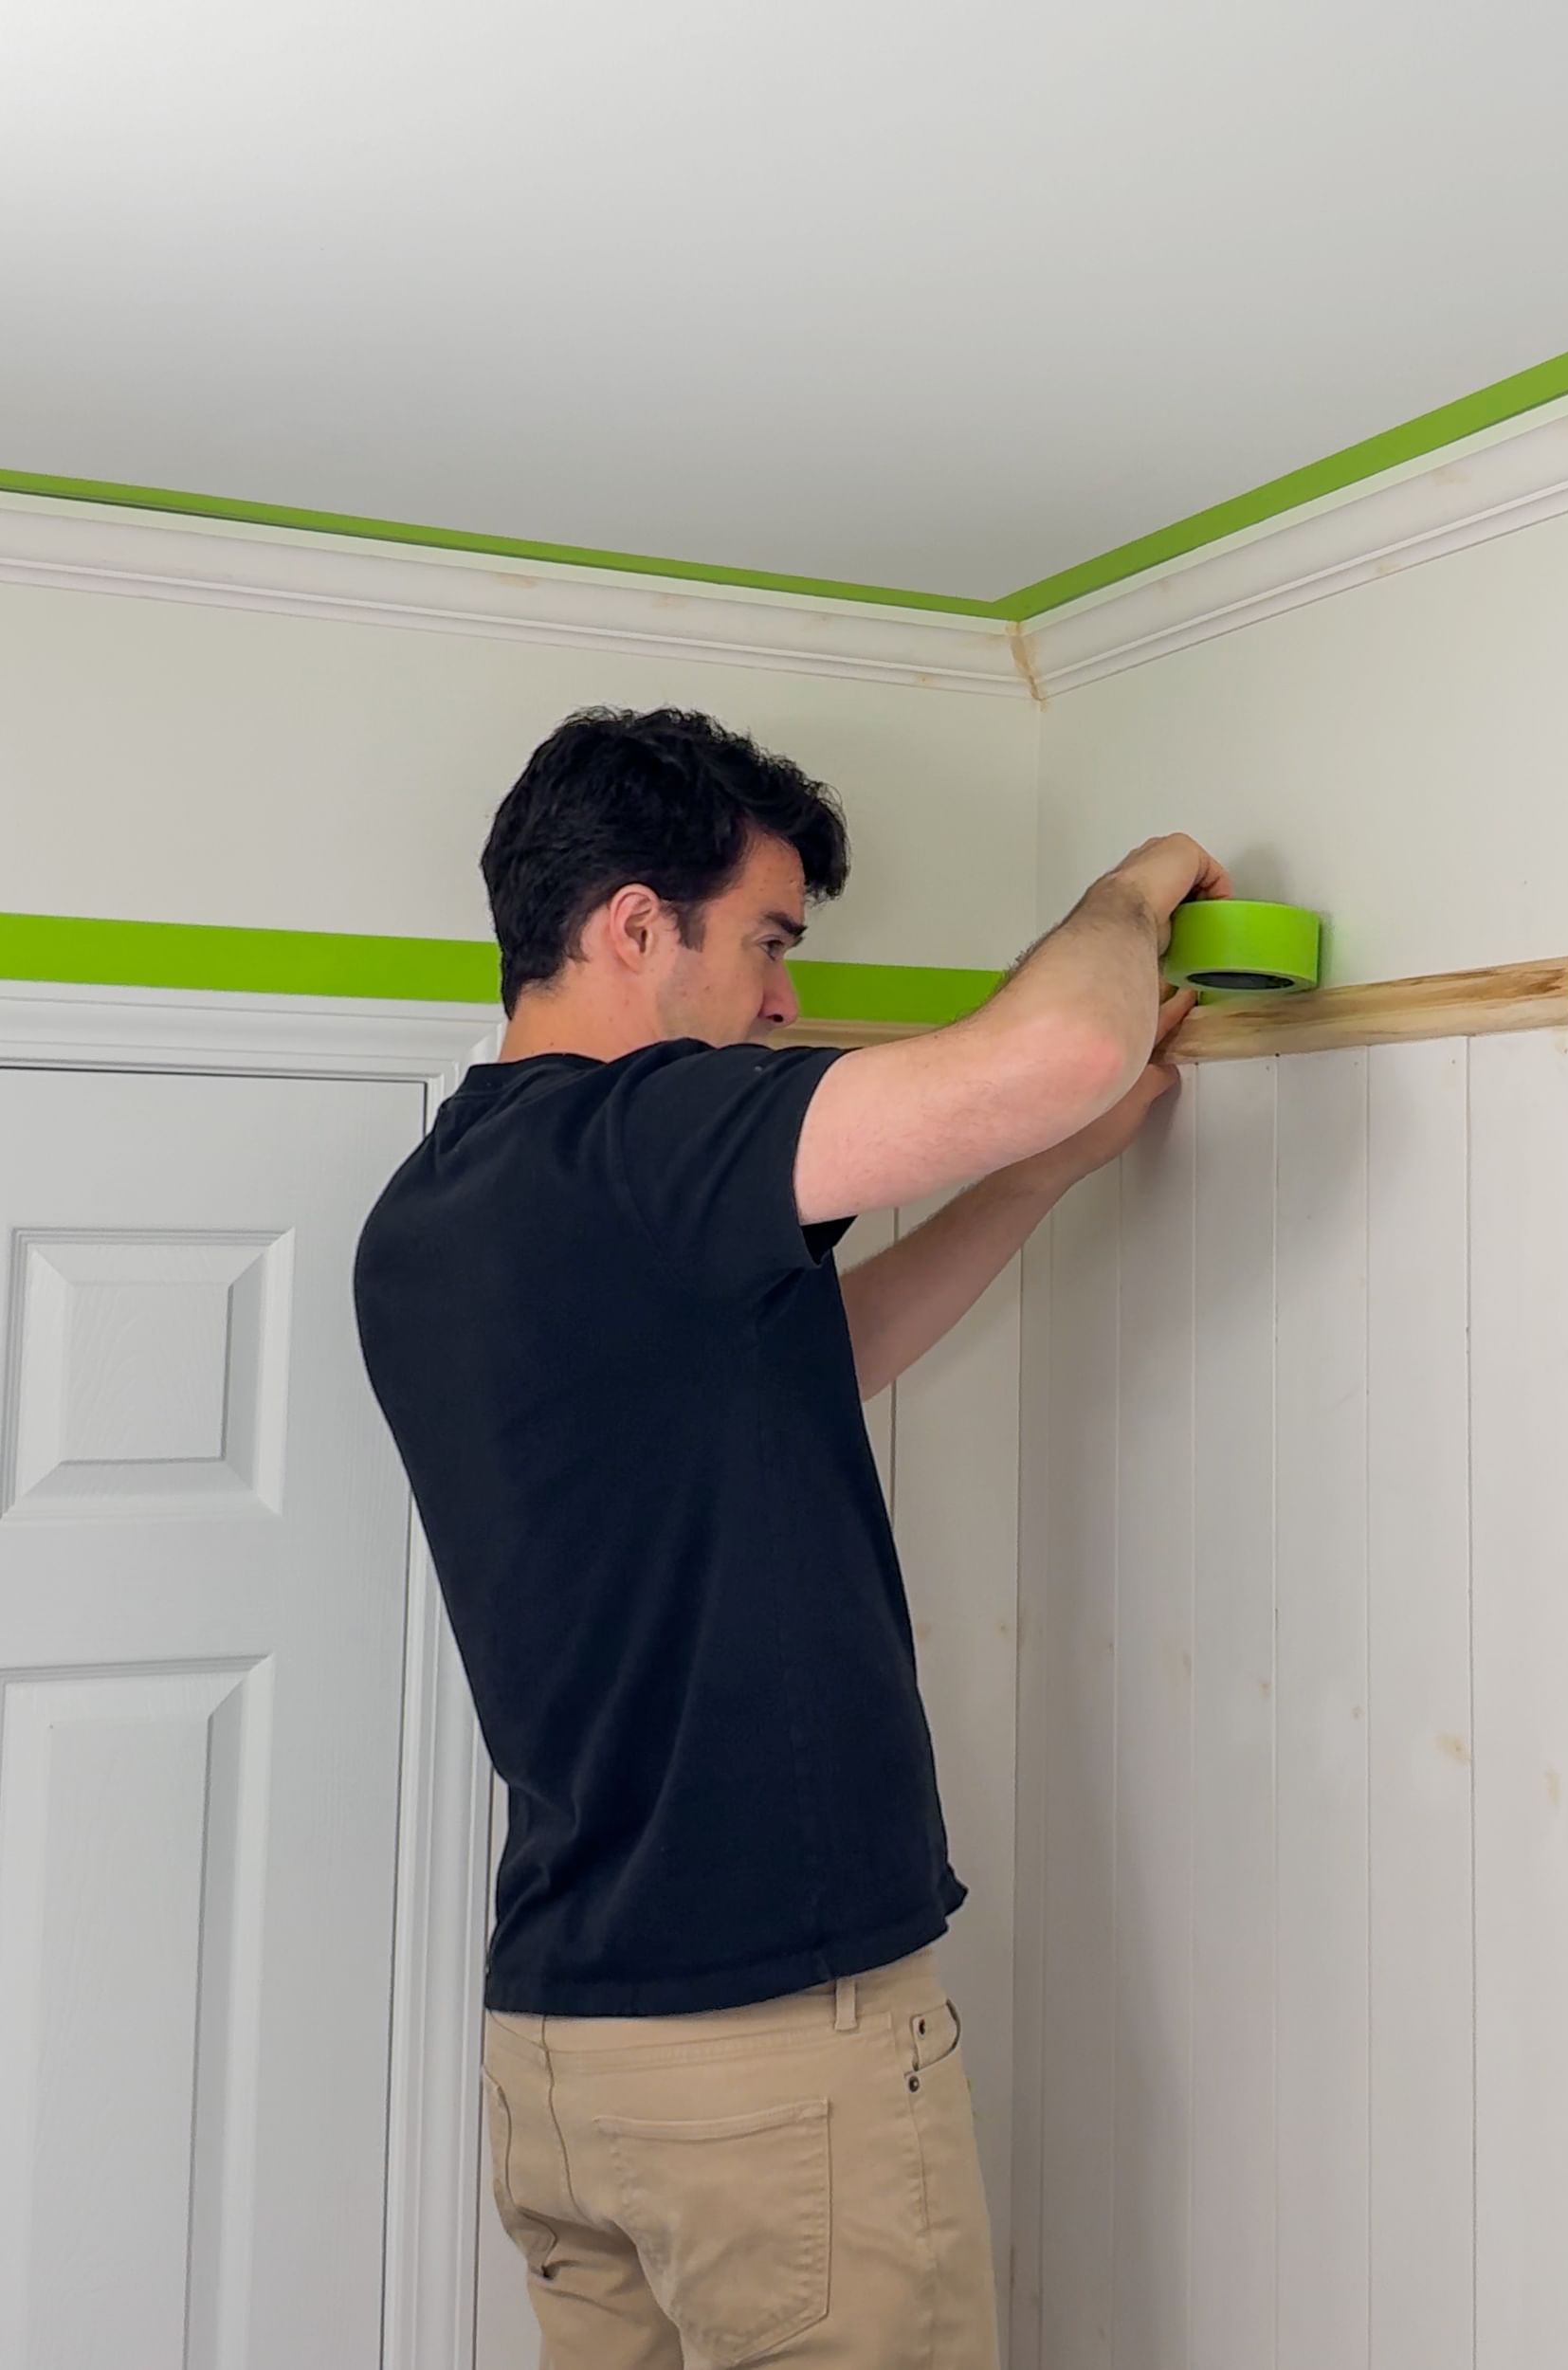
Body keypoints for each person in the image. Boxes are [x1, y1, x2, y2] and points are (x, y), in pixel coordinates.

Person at [353, 704, 1229, 2369]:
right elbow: (1057, 1050)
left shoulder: (439, 1206)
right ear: (629, 924)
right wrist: (1133, 882)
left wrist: (1035, 1182)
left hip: (567, 2054)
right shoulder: (642, 1144)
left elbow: (813, 1363)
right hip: (761, 2058)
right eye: (766, 941)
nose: (784, 998)